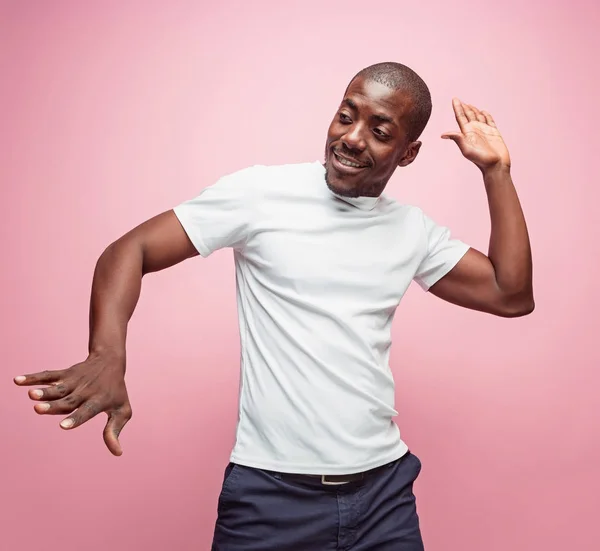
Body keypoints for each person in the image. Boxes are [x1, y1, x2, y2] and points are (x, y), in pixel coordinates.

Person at [13, 62, 533, 550]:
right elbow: (132, 249)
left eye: (379, 130)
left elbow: (510, 295)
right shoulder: (261, 193)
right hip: (269, 495)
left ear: (409, 152)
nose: (351, 138)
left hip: (383, 494)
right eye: (346, 116)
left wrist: (497, 172)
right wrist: (107, 355)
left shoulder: (412, 230)